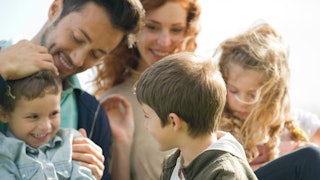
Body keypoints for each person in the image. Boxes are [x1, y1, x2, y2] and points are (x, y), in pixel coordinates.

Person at [0, 0, 144, 179]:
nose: (77, 59)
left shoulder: (92, 116)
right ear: (55, 9)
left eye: (96, 55)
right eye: (77, 38)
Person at [93, 0, 201, 179]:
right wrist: (122, 144)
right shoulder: (114, 102)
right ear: (133, 28)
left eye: (176, 29)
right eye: (152, 27)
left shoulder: (204, 89)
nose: (164, 41)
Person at [215, 21, 320, 179]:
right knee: (309, 156)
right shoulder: (215, 125)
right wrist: (286, 158)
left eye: (252, 94)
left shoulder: (290, 121)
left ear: (272, 93)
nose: (242, 101)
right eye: (234, 91)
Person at [134, 52, 257, 180]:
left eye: (147, 116)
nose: (146, 125)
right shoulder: (174, 165)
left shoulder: (224, 174)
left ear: (173, 121)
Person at [0, 70, 95, 179]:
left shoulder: (70, 142)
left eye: (54, 114)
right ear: (4, 115)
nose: (46, 126)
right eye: (33, 117)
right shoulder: (4, 153)